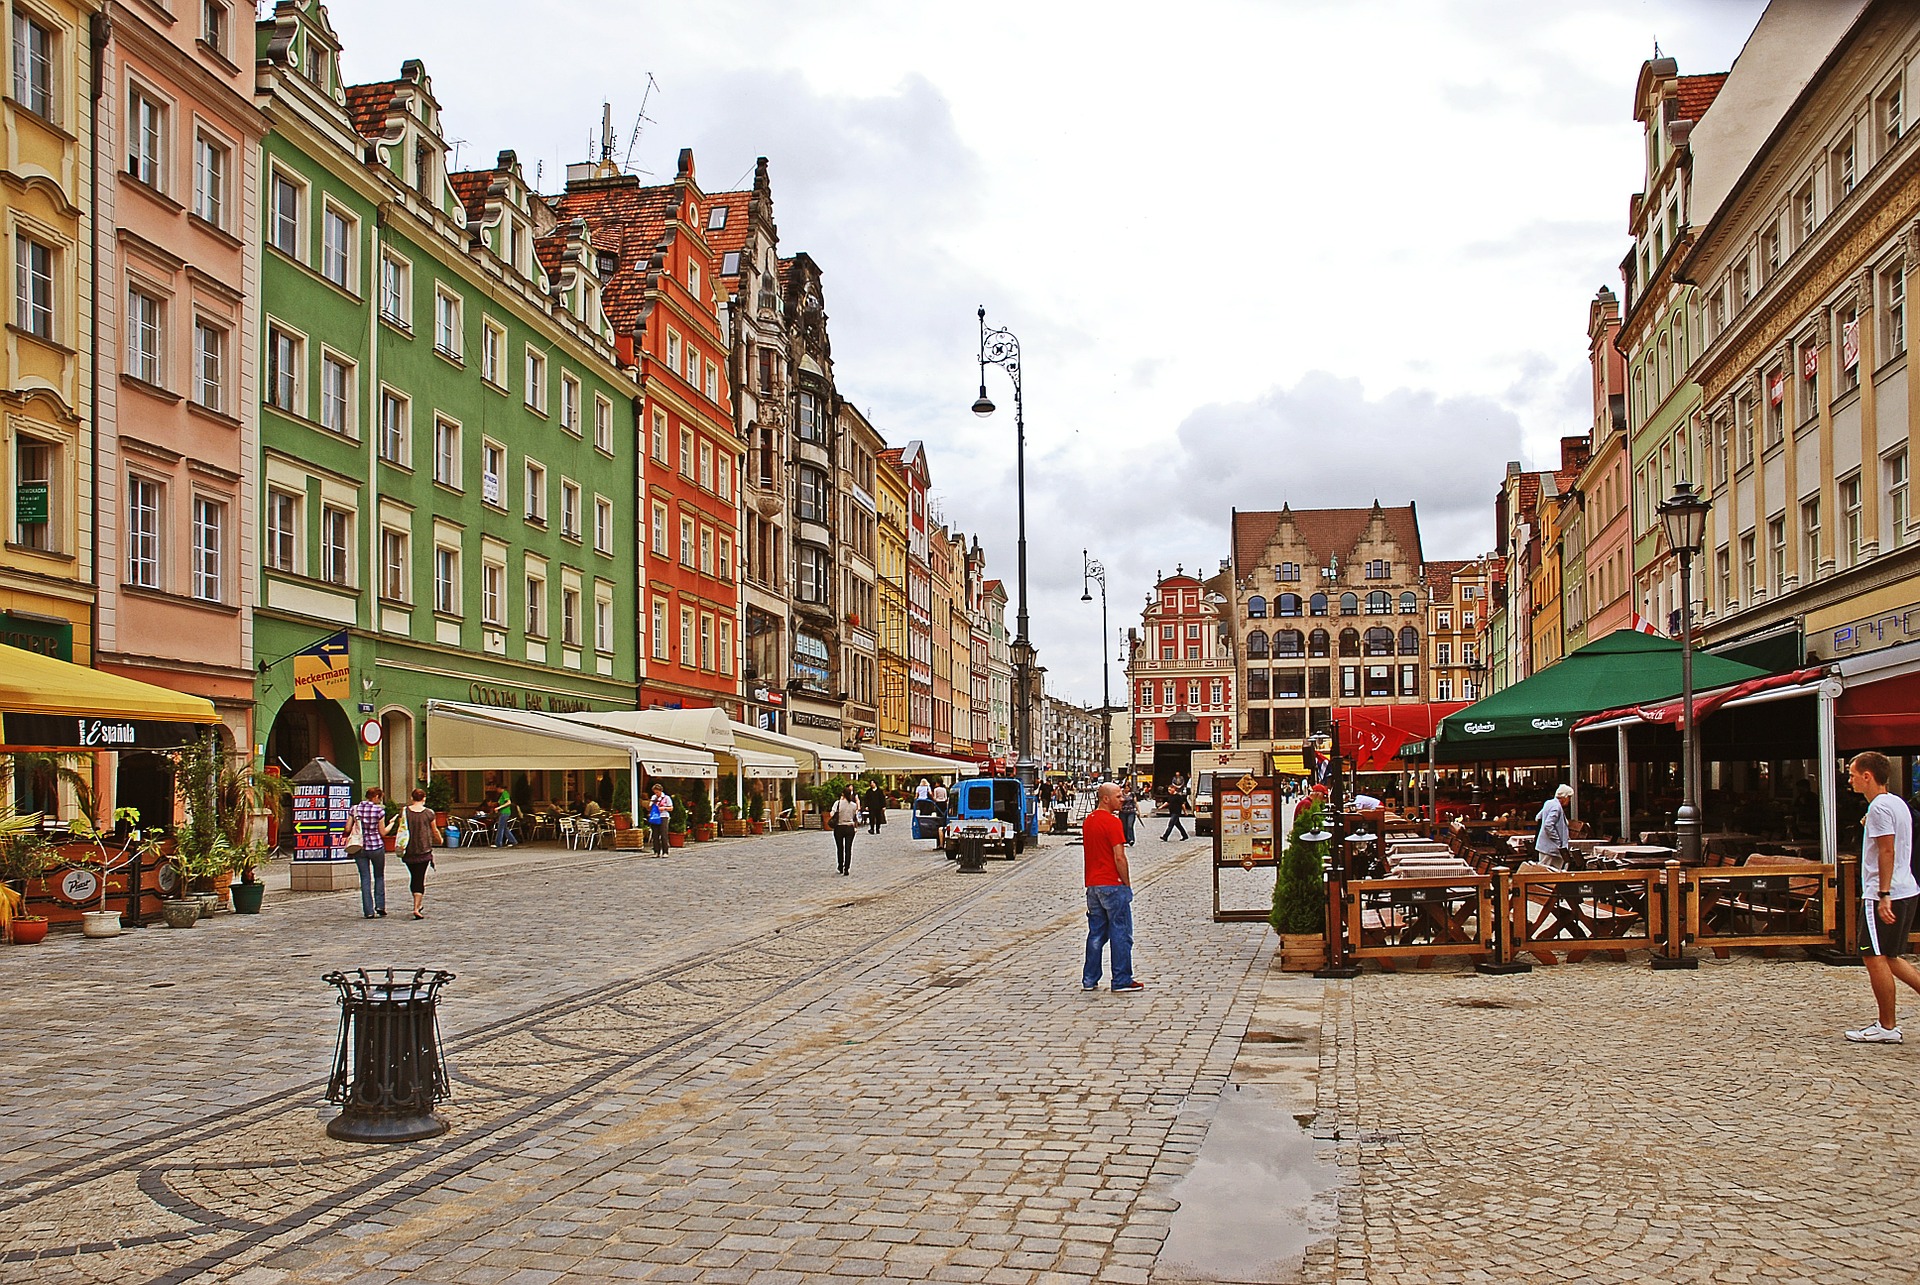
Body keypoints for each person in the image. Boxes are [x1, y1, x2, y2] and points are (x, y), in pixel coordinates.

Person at [1846, 751, 1920, 1043]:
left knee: (1873, 956)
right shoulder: (1896, 802)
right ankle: (1886, 1025)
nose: (1849, 779)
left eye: (1852, 774)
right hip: (1907, 887)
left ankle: (1887, 1026)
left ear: (1868, 776)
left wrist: (1884, 894)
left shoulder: (1879, 807)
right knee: (1890, 957)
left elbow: (1887, 850)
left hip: (1884, 892)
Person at [1082, 782, 1143, 993]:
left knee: (1096, 933)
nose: (1123, 799)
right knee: (1121, 932)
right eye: (1118, 796)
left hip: (1093, 884)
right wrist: (1126, 883)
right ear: (1105, 798)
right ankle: (1121, 979)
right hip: (1112, 884)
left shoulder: (1088, 821)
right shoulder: (1113, 822)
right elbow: (1119, 857)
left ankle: (1089, 979)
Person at [397, 787, 441, 919]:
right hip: (424, 850)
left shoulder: (405, 811)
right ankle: (416, 907)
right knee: (419, 878)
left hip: (408, 850)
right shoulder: (429, 813)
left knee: (414, 876)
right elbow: (434, 830)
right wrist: (439, 839)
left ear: (411, 798)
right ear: (424, 798)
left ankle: (417, 904)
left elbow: (401, 828)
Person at [349, 787, 388, 919]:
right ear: (376, 796)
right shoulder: (379, 811)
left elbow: (347, 828)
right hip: (376, 846)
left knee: (365, 878)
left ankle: (368, 911)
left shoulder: (354, 809)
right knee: (379, 876)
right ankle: (380, 906)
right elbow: (382, 832)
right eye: (380, 798)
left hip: (359, 847)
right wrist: (392, 825)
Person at [1533, 784, 1574, 869]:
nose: (1569, 800)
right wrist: (1558, 841)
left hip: (1545, 846)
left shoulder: (1549, 803)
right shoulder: (1556, 807)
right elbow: (1548, 825)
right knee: (1547, 873)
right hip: (1551, 849)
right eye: (1569, 797)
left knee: (1546, 871)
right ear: (1564, 797)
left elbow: (1538, 817)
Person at [830, 785, 862, 875]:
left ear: (842, 794)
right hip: (849, 827)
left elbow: (831, 814)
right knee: (848, 849)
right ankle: (847, 868)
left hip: (839, 827)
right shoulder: (854, 805)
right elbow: (855, 816)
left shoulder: (838, 803)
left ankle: (840, 866)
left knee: (840, 848)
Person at [646, 783, 673, 856]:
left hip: (663, 816)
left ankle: (665, 851)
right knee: (655, 835)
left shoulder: (666, 798)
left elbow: (671, 808)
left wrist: (664, 808)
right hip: (655, 816)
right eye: (655, 792)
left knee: (663, 834)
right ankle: (656, 851)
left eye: (657, 792)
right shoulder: (653, 797)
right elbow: (650, 806)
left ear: (660, 791)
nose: (656, 793)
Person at [1161, 775, 1189, 842]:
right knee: (1178, 825)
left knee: (1170, 824)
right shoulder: (1171, 796)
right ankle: (1185, 835)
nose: (1169, 791)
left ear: (1174, 789)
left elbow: (1182, 804)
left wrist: (1185, 812)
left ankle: (1165, 836)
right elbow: (1168, 802)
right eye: (1168, 790)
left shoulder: (1178, 796)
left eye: (1170, 790)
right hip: (1172, 812)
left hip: (1176, 812)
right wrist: (1161, 807)